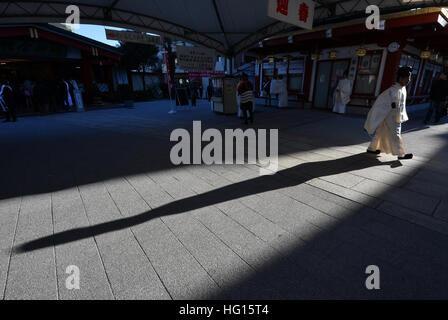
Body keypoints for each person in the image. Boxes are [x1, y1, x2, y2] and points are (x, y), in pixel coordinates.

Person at [364, 66, 413, 160]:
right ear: (401, 78)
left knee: (380, 131)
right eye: (407, 78)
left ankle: (372, 148)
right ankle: (401, 154)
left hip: (390, 115)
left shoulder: (400, 89)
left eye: (409, 79)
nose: (408, 81)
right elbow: (383, 104)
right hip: (392, 116)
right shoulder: (393, 90)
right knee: (396, 134)